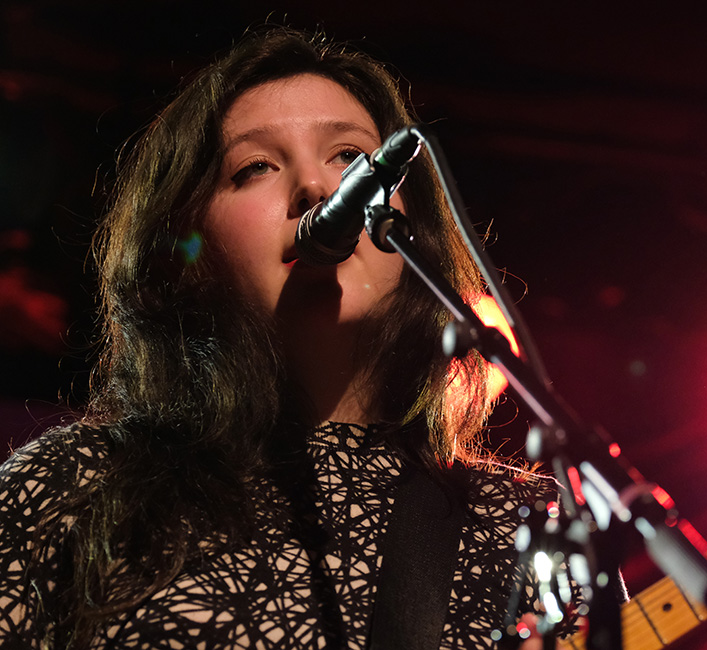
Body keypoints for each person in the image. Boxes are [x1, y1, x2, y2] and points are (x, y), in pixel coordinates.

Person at [0, 27, 575, 649]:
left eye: (350, 157)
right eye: (255, 167)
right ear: (191, 255)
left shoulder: (522, 528)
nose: (317, 188)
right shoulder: (71, 492)